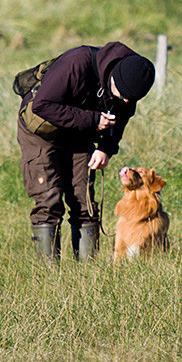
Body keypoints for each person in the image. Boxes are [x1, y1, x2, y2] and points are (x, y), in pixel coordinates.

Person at [17, 42, 155, 263]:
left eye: (131, 99)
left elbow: (120, 118)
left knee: (85, 203)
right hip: (40, 131)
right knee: (48, 199)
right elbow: (41, 106)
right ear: (113, 77)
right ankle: (49, 276)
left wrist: (105, 149)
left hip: (80, 134)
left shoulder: (131, 83)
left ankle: (87, 274)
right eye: (122, 95)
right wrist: (93, 119)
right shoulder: (76, 63)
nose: (126, 101)